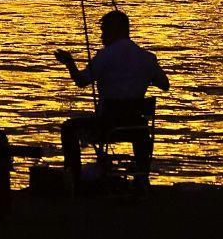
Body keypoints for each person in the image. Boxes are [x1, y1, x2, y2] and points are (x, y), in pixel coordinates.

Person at [55, 10, 169, 186]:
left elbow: (81, 81)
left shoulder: (105, 56)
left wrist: (69, 62)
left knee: (68, 128)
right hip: (136, 129)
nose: (101, 37)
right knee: (142, 126)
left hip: (107, 126)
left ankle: (75, 178)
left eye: (104, 31)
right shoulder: (147, 58)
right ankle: (142, 177)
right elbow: (164, 84)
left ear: (114, 31)